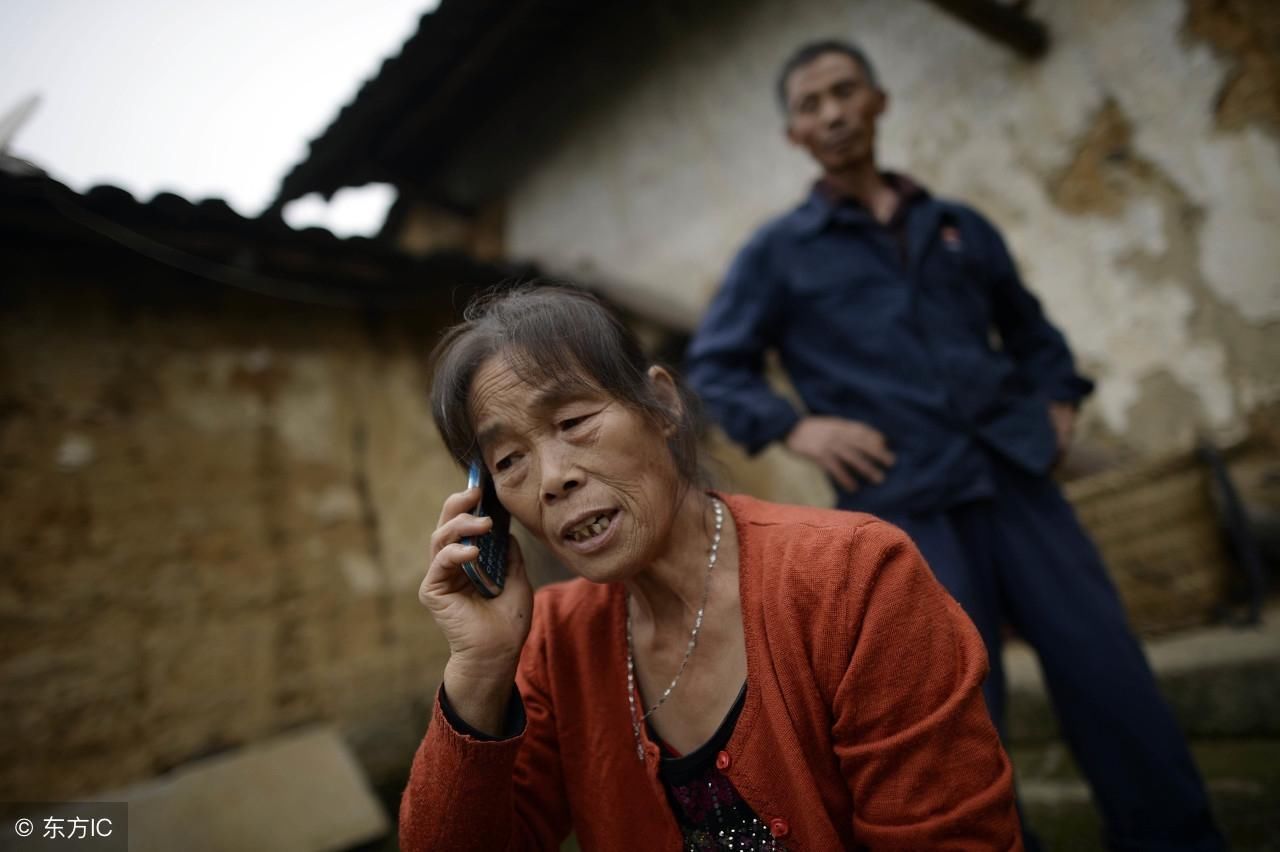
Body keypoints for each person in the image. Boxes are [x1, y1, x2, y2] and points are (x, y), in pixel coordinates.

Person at [685, 39, 1224, 851]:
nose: (831, 113)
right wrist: (799, 425)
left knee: (1112, 680)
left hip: (1018, 484)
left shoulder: (958, 228)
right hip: (905, 510)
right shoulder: (777, 255)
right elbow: (717, 368)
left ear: (878, 102)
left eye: (843, 92)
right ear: (795, 134)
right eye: (810, 104)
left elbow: (1034, 334)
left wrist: (1057, 401)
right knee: (959, 715)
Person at [400, 286, 1021, 851]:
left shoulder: (855, 578)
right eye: (509, 460)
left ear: (663, 406)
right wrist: (479, 667)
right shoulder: (555, 643)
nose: (553, 477)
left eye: (573, 422)